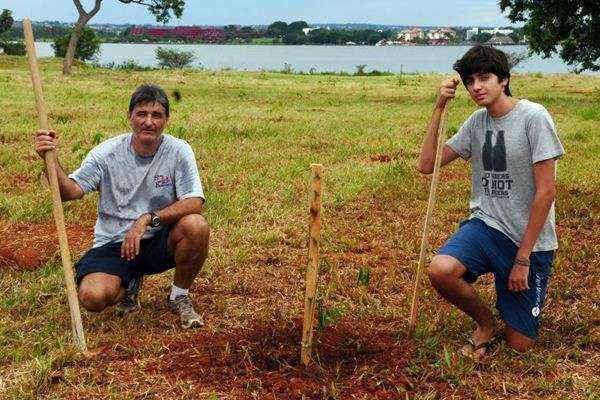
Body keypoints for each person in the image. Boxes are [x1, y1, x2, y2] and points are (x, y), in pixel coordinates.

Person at [418, 46, 564, 358]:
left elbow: (546, 192)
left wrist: (522, 260)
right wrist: (439, 107)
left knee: (520, 346)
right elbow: (427, 163)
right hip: (486, 227)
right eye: (470, 81)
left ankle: (512, 301)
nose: (476, 87)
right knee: (441, 269)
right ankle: (485, 324)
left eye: (484, 78)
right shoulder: (476, 122)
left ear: (504, 80)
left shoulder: (533, 118)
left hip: (529, 242)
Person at [34, 84, 210, 329]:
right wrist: (49, 159)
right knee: (93, 298)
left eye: (156, 115)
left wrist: (148, 219)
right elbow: (71, 192)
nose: (148, 122)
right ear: (129, 117)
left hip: (158, 239)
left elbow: (195, 201)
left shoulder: (178, 151)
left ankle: (178, 295)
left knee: (196, 225)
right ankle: (129, 282)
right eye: (141, 114)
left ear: (166, 120)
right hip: (114, 243)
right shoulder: (107, 153)